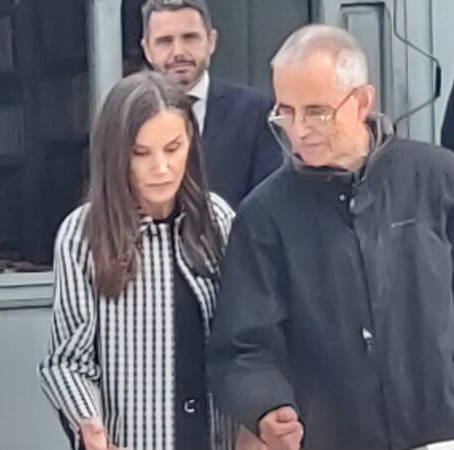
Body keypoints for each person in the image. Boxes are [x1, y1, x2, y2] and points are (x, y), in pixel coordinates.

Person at [208, 24, 454, 450]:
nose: (299, 129)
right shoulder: (264, 215)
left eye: (316, 111)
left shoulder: (438, 180)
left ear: (362, 102)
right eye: (286, 112)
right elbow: (244, 343)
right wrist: (266, 406)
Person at [38, 71, 260, 450]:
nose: (161, 168)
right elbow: (68, 359)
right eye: (141, 153)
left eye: (173, 148)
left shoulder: (218, 222)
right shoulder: (84, 234)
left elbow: (247, 339)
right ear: (116, 155)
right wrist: (90, 425)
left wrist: (253, 421)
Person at [140, 0, 282, 208]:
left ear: (211, 41)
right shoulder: (128, 118)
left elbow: (269, 203)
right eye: (165, 41)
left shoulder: (254, 113)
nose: (178, 51)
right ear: (147, 50)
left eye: (189, 38)